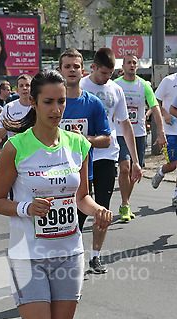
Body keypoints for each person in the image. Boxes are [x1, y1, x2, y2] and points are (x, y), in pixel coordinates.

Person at [0, 69, 112, 319]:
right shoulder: (17, 147)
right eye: (49, 102)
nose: (56, 109)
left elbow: (82, 197)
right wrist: (26, 209)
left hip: (69, 253)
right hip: (28, 254)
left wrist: (97, 211)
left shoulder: (78, 145)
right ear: (34, 102)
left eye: (61, 101)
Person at [80, 47, 142, 273]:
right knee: (79, 209)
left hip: (107, 154)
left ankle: (95, 256)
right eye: (104, 73)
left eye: (110, 73)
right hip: (81, 155)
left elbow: (125, 124)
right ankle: (73, 253)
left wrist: (135, 160)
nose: (107, 77)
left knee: (103, 209)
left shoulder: (116, 89)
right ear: (93, 67)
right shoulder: (80, 86)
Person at [58, 48, 111, 258]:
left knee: (78, 225)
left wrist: (84, 139)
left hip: (81, 177)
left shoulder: (93, 103)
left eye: (76, 66)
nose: (72, 70)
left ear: (83, 71)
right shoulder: (51, 103)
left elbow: (106, 140)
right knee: (64, 230)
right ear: (59, 70)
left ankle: (93, 257)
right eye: (67, 66)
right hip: (53, 176)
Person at [114, 54, 167, 221]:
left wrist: (161, 132)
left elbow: (155, 108)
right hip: (120, 133)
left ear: (137, 66)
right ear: (123, 66)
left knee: (134, 171)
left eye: (134, 63)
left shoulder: (143, 85)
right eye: (128, 62)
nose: (132, 65)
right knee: (124, 167)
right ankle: (125, 204)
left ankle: (125, 203)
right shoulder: (115, 85)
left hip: (139, 134)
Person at [151, 72, 177, 206]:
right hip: (170, 130)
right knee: (173, 165)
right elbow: (154, 101)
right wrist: (165, 114)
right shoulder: (169, 80)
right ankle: (161, 171)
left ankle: (176, 195)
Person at [0, 74, 32, 143]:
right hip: (16, 149)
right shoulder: (9, 107)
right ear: (17, 90)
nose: (24, 88)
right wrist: (9, 125)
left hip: (34, 149)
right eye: (21, 86)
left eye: (27, 85)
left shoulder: (39, 106)